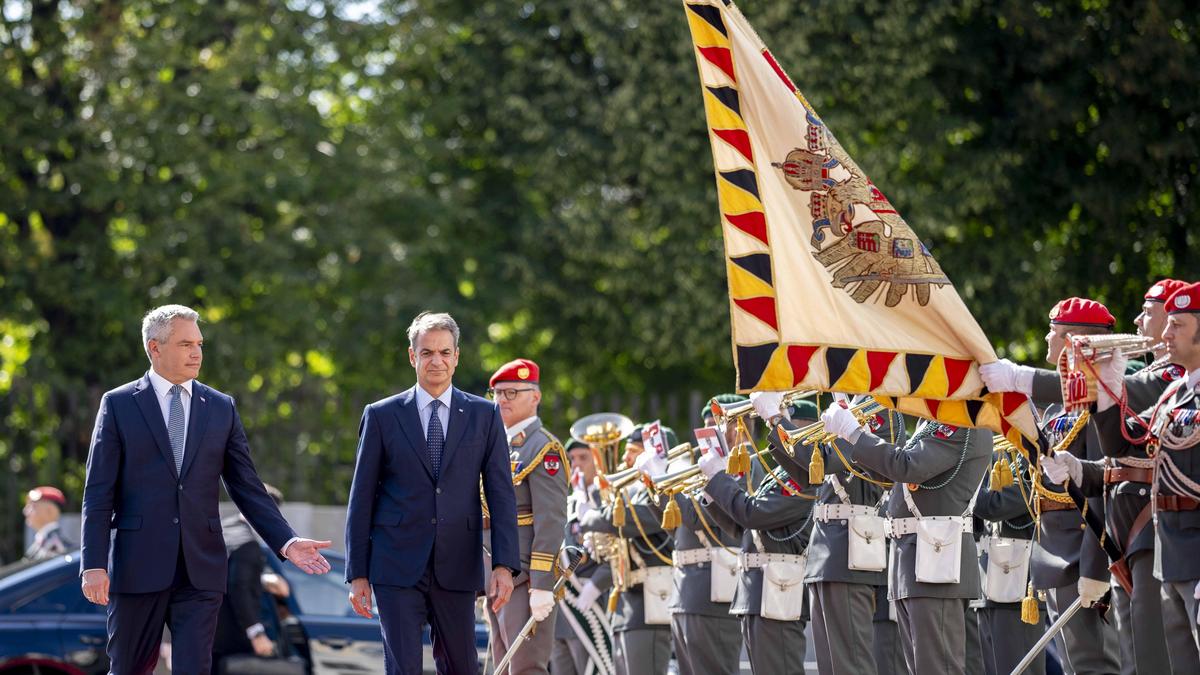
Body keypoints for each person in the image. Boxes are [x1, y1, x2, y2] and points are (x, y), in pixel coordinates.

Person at [80, 304, 331, 675]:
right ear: (155, 348)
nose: (196, 352)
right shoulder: (118, 404)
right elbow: (98, 491)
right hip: (138, 565)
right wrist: (94, 564)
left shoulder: (220, 407)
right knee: (130, 668)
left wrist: (287, 542)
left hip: (202, 568)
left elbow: (247, 487)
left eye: (199, 343)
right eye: (185, 344)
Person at [344, 311, 520, 674]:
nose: (436, 361)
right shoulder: (381, 415)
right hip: (394, 565)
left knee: (461, 666)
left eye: (444, 352)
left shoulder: (485, 415)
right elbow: (361, 498)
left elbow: (501, 494)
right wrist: (357, 573)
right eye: (427, 353)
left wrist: (504, 564)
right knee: (403, 667)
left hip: (457, 563)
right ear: (413, 357)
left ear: (457, 357)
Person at [979, 297, 1131, 674]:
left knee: (1095, 663)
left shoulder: (1101, 400)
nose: (1047, 337)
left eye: (1055, 331)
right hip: (1053, 550)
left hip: (1081, 551)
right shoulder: (1058, 407)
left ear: (1075, 340)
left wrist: (1094, 569)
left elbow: (1103, 485)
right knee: (1075, 664)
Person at [820, 401, 992, 675]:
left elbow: (908, 466)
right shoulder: (933, 422)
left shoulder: (963, 422)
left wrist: (855, 433)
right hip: (914, 556)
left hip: (936, 560)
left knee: (938, 668)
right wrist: (856, 434)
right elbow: (890, 476)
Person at [1089, 281, 1200, 670]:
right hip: (1167, 545)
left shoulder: (1165, 384)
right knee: (1163, 661)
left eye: (1178, 324)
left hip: (1177, 540)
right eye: (1165, 321)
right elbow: (1124, 445)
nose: (1166, 333)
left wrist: (1018, 380)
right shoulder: (1174, 396)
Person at [756, 392, 904, 675]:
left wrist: (777, 419)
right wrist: (777, 426)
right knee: (831, 667)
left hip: (850, 550)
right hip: (825, 550)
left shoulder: (878, 408)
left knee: (850, 664)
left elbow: (827, 460)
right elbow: (807, 475)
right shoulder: (847, 407)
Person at [697, 412, 815, 675]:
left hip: (778, 589)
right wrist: (711, 493)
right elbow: (743, 528)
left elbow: (754, 513)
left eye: (788, 428)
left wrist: (719, 479)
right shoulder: (780, 473)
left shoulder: (803, 477)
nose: (779, 433)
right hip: (756, 587)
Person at [484, 358, 570, 675]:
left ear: (535, 396)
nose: (502, 400)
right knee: (504, 667)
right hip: (497, 576)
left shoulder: (542, 448)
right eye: (498, 393)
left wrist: (542, 585)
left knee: (526, 668)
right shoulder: (499, 446)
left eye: (512, 393)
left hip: (525, 579)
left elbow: (550, 520)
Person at [578, 425, 674, 675]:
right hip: (627, 603)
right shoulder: (633, 493)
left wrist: (591, 517)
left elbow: (626, 520)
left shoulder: (663, 493)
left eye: (633, 452)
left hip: (649, 605)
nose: (625, 459)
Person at [551, 439, 615, 675]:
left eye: (583, 458)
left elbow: (618, 550)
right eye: (571, 459)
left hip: (591, 605)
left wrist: (597, 585)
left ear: (596, 460)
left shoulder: (609, 501)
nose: (576, 465)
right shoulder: (567, 503)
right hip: (563, 611)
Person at [212, 484, 289, 670]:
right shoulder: (248, 545)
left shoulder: (222, 529)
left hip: (206, 627)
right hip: (234, 636)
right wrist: (256, 633)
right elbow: (239, 588)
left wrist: (260, 579)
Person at [23, 485, 71, 561]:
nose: (25, 511)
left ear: (50, 511)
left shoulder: (54, 545)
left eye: (32, 506)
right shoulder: (40, 544)